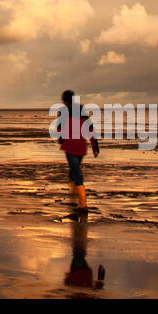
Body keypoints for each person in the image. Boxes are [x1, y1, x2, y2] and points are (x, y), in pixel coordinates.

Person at [57, 90, 99, 219]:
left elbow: (59, 129)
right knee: (74, 170)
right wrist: (95, 147)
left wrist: (61, 139)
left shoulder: (63, 111)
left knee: (76, 172)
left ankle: (82, 203)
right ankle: (74, 196)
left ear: (65, 99)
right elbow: (90, 130)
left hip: (70, 146)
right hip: (81, 145)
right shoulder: (82, 111)